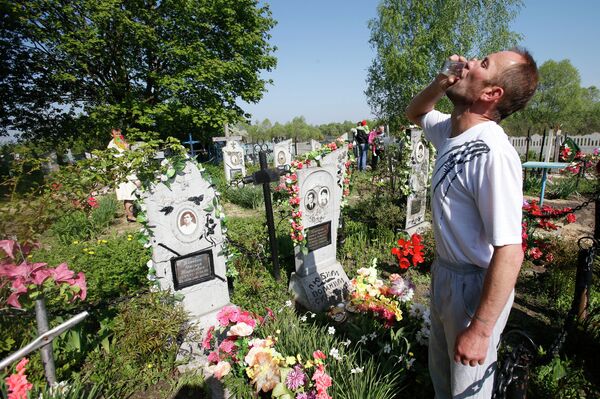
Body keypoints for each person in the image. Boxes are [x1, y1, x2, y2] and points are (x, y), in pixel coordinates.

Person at [406, 48, 538, 398]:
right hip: (446, 274)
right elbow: (415, 112)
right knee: (443, 382)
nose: (466, 63)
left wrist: (480, 329)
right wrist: (441, 80)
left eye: (482, 64)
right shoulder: (452, 130)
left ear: (491, 94)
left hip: (474, 288)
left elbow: (510, 251)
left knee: (468, 392)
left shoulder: (492, 152)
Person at [107, 128, 137, 222]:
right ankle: (130, 216)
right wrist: (127, 148)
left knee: (130, 195)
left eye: (120, 133)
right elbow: (122, 157)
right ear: (112, 135)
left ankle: (130, 215)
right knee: (129, 195)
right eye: (116, 134)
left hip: (127, 171)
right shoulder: (113, 144)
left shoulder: (120, 141)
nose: (119, 135)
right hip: (123, 172)